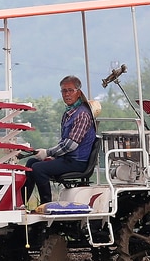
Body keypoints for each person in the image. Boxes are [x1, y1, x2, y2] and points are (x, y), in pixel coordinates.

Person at [24, 75, 96, 205]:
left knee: (39, 169)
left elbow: (70, 145)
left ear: (78, 93)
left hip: (77, 162)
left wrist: (48, 152)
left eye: (70, 90)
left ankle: (46, 205)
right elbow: (64, 141)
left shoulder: (82, 115)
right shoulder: (68, 113)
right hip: (67, 159)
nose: (67, 94)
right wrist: (53, 157)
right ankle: (22, 203)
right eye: (64, 91)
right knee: (31, 162)